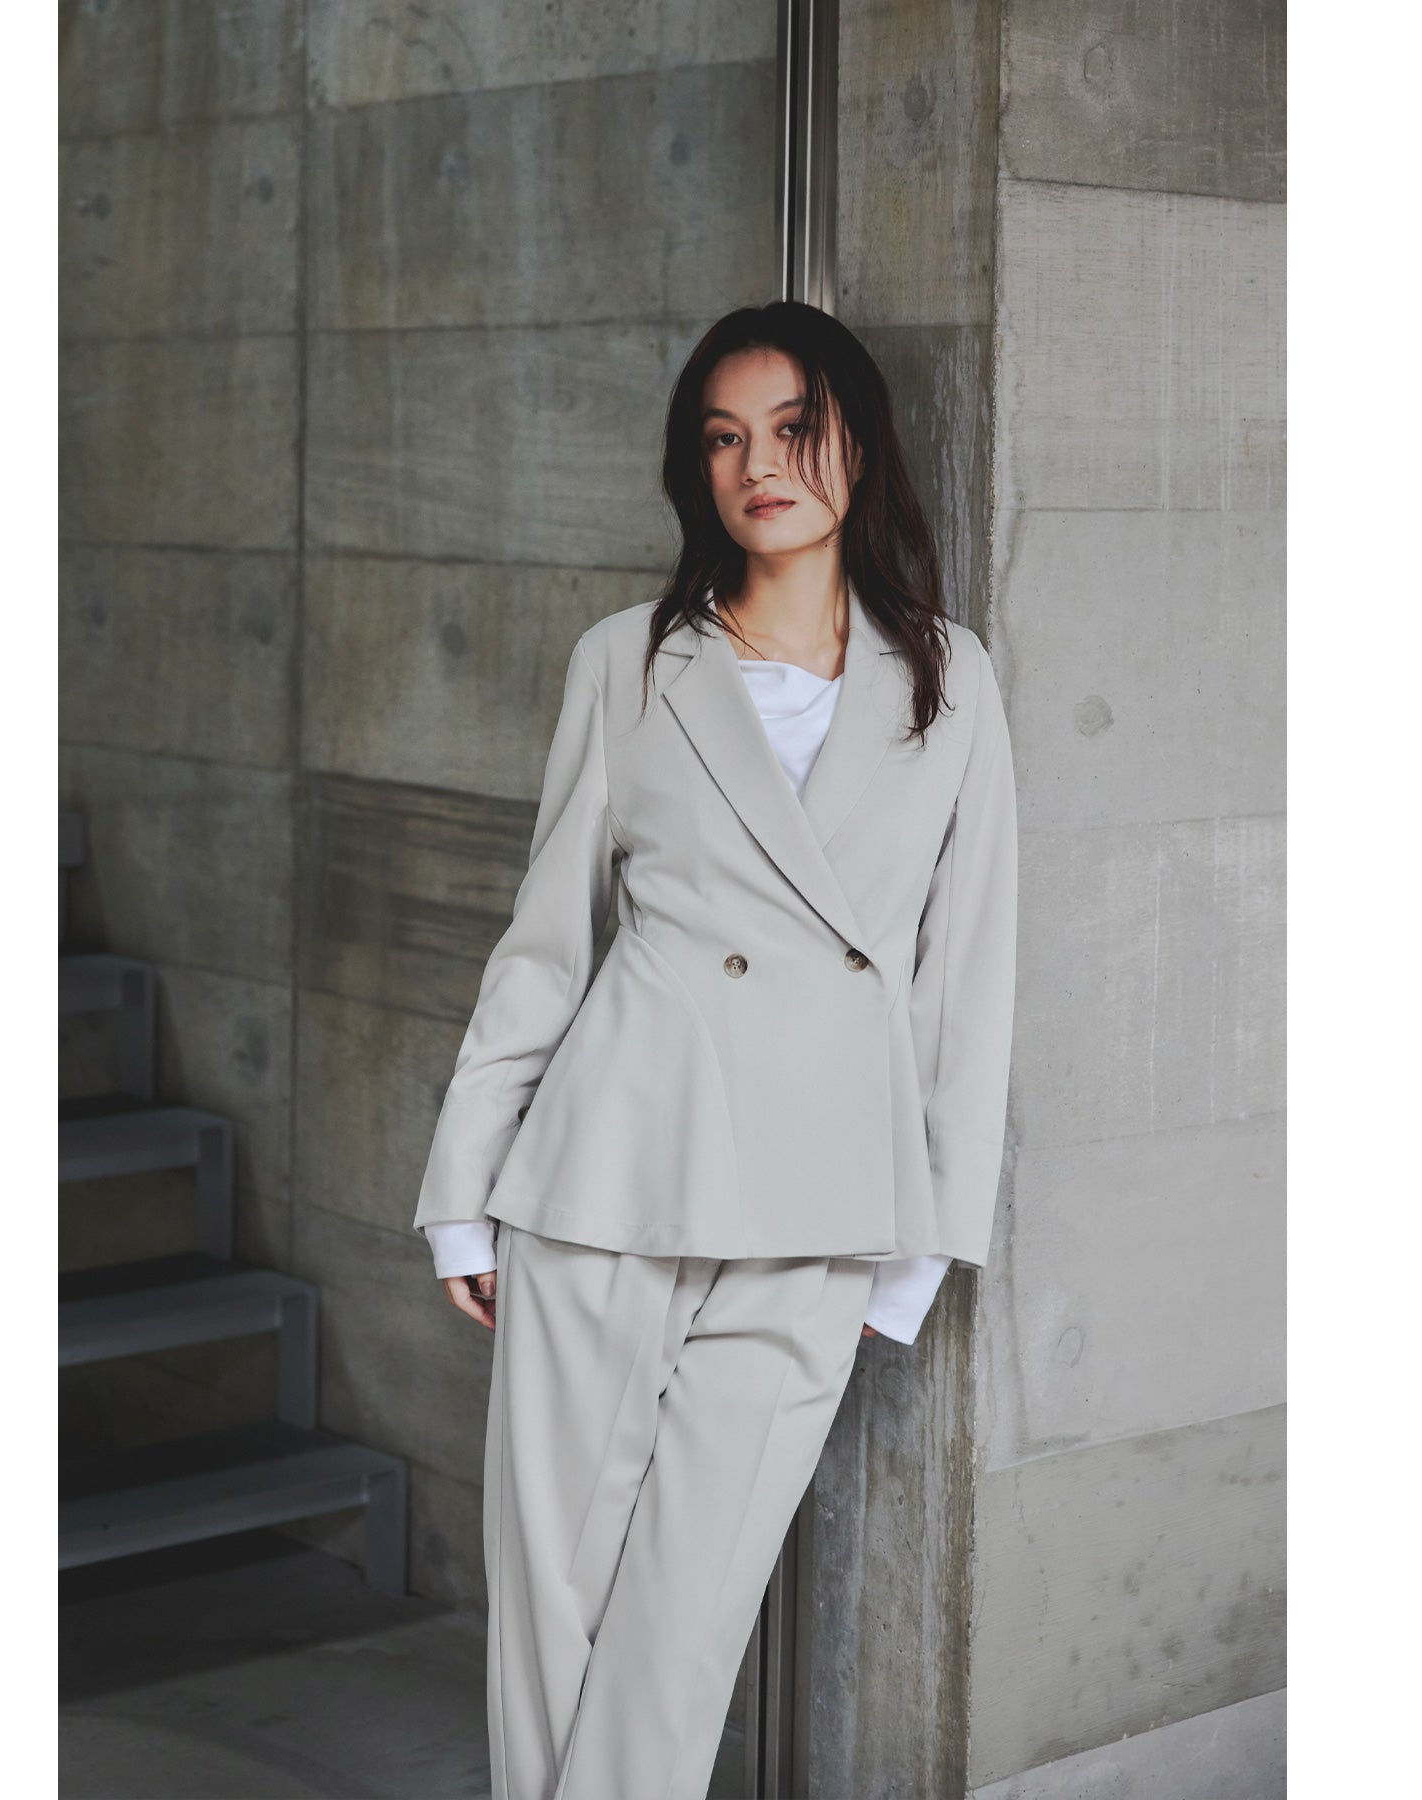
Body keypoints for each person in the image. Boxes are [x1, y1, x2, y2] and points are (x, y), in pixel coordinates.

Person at [412, 300, 1018, 1800]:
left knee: (682, 1635)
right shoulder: (632, 660)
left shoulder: (949, 683)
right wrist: (463, 1192)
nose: (761, 467)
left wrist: (918, 1249)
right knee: (553, 1607)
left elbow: (964, 985)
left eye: (795, 431)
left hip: (818, 1209)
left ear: (858, 448)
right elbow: (549, 941)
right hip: (607, 1177)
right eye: (726, 438)